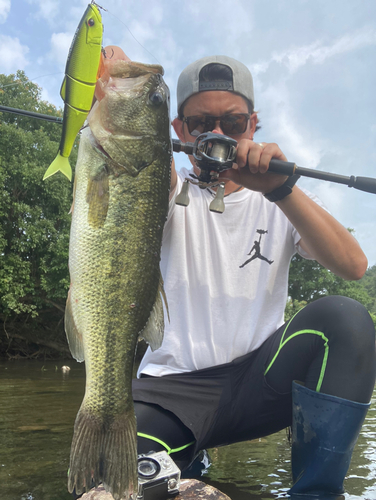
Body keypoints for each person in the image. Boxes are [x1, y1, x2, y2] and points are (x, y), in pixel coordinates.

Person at [127, 54, 376, 496]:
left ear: (254, 124)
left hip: (258, 385)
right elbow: (138, 163)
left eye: (234, 122)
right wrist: (116, 93)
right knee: (118, 478)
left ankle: (315, 493)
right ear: (178, 129)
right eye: (201, 122)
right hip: (170, 392)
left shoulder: (281, 199)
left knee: (345, 319)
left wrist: (281, 189)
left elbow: (353, 265)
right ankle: (185, 458)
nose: (217, 134)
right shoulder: (163, 186)